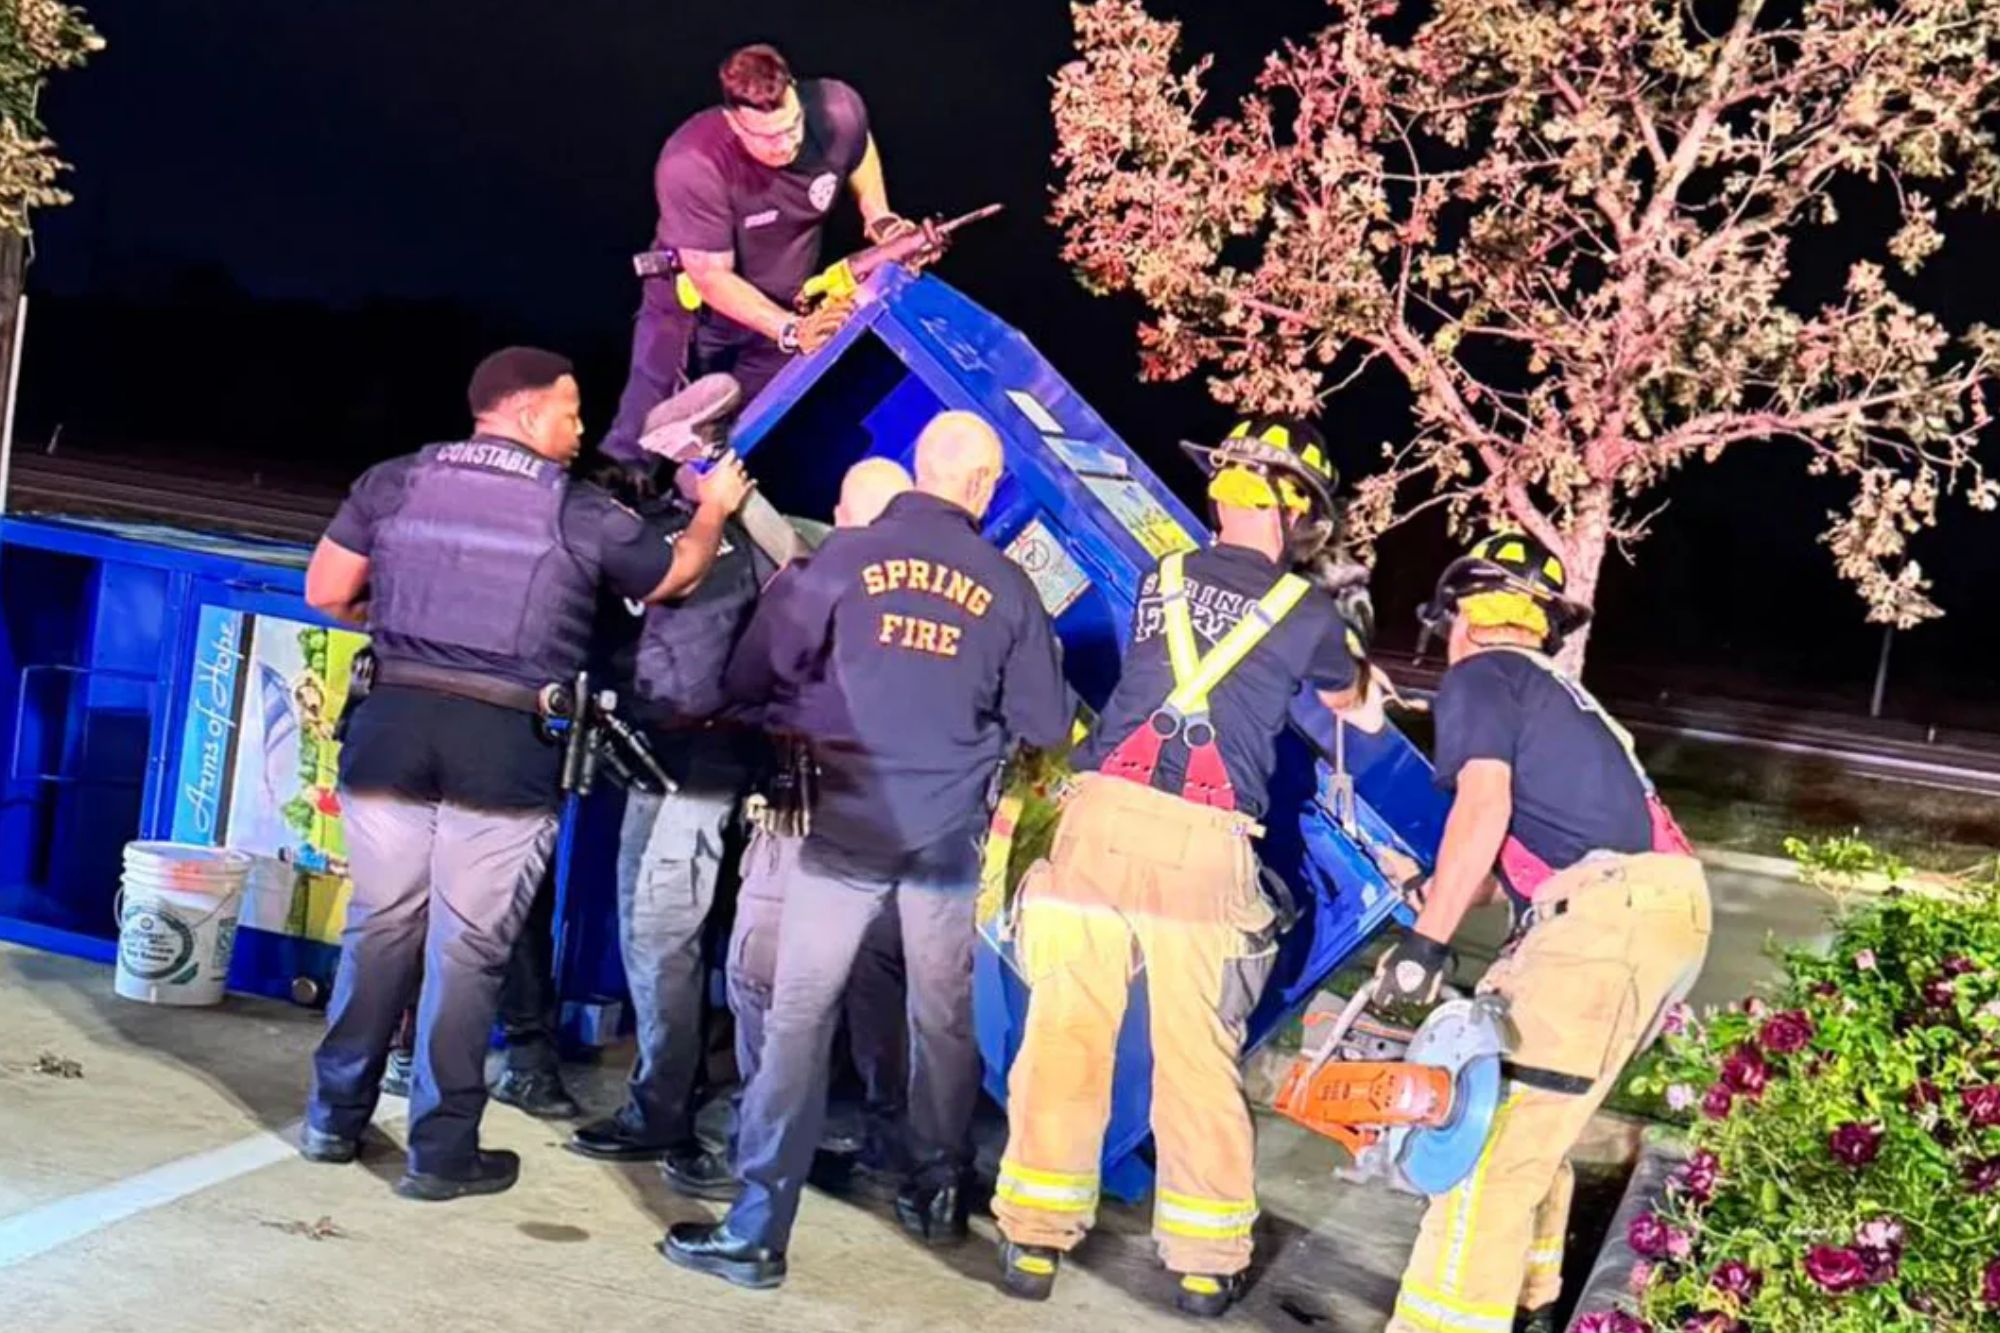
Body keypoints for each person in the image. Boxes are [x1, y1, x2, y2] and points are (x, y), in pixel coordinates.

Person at [298, 348, 752, 1201]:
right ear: (528, 411)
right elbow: (675, 576)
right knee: (468, 950)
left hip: (390, 731)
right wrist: (714, 511)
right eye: (573, 411)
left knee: (381, 928)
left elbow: (327, 589)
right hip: (500, 749)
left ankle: (332, 1117)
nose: (582, 430)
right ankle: (439, 1152)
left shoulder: (394, 481)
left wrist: (403, 624)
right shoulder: (577, 510)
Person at [663, 411, 1073, 1289]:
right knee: (941, 1019)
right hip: (943, 846)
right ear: (980, 484)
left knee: (798, 1020)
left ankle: (759, 1228)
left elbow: (750, 676)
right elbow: (1045, 721)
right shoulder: (1007, 586)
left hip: (839, 832)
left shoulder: (839, 563)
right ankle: (935, 1188)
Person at [991, 417, 1380, 1317]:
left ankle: (1032, 1238)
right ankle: (1205, 1262)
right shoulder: (1312, 614)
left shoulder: (1157, 579)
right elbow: (1352, 710)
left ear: (1221, 493)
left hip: (1098, 825)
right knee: (1195, 1052)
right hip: (1203, 847)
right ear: (1299, 515)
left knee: (1065, 1031)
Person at [1373, 532, 1711, 1333]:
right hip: (1649, 916)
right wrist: (1429, 886)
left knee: (1485, 1152)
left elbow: (1481, 809)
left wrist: (1424, 946)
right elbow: (1517, 859)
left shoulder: (1482, 676)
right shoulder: (1559, 699)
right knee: (1537, 1126)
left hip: (1605, 922)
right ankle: (1529, 1303)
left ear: (1461, 620)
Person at [565, 390, 782, 1197]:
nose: (687, 469)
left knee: (664, 933)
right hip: (655, 757)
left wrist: (740, 506)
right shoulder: (654, 533)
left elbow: (802, 566)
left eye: (704, 455)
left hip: (707, 762)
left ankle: (665, 1107)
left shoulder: (752, 544)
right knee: (648, 932)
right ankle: (668, 1093)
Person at [725, 457, 917, 1172]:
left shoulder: (811, 586)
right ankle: (896, 1149)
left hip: (802, 819)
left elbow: (744, 684)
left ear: (842, 512)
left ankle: (766, 1143)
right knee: (880, 987)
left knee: (764, 978)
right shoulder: (959, 598)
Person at [601, 43, 910, 464]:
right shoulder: (693, 162)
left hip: (784, 303)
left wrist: (880, 218)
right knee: (647, 425)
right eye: (766, 137)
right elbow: (711, 276)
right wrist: (789, 330)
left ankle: (693, 511)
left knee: (747, 429)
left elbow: (857, 149)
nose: (785, 145)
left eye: (792, 126)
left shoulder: (837, 109)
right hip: (695, 310)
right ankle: (617, 495)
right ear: (733, 121)